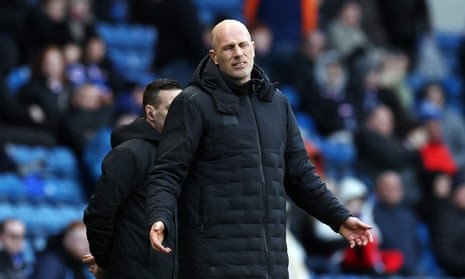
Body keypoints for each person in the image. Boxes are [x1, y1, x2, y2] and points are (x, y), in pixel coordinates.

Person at [147, 19, 373, 278]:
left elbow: (300, 176)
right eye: (229, 48)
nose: (238, 53)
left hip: (270, 260)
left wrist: (340, 218)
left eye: (243, 45)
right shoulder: (192, 103)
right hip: (214, 261)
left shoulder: (277, 104)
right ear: (214, 57)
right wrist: (159, 216)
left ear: (253, 48)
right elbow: (167, 171)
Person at [83, 79, 182, 279]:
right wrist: (106, 262)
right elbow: (100, 212)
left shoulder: (184, 155)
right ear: (150, 112)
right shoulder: (129, 154)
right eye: (173, 108)